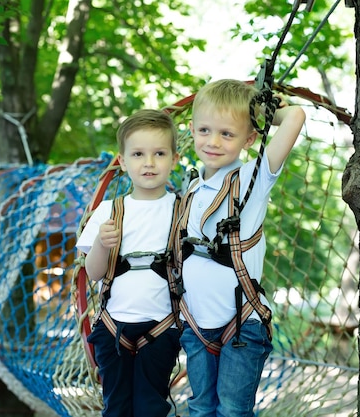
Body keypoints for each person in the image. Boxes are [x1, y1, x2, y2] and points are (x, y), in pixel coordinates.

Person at [174, 79, 306, 417]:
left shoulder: (253, 178)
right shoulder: (189, 186)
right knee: (200, 407)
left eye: (227, 134)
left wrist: (259, 110)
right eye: (204, 130)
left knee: (233, 410)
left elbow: (295, 117)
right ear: (191, 130)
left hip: (242, 323)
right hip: (195, 322)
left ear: (249, 139)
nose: (213, 141)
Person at [76, 109, 182, 417]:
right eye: (138, 154)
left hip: (162, 327)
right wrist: (101, 244)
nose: (149, 163)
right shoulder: (110, 210)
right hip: (113, 328)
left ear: (174, 159)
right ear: (123, 162)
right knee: (117, 407)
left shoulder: (182, 209)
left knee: (151, 406)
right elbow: (94, 272)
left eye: (159, 153)